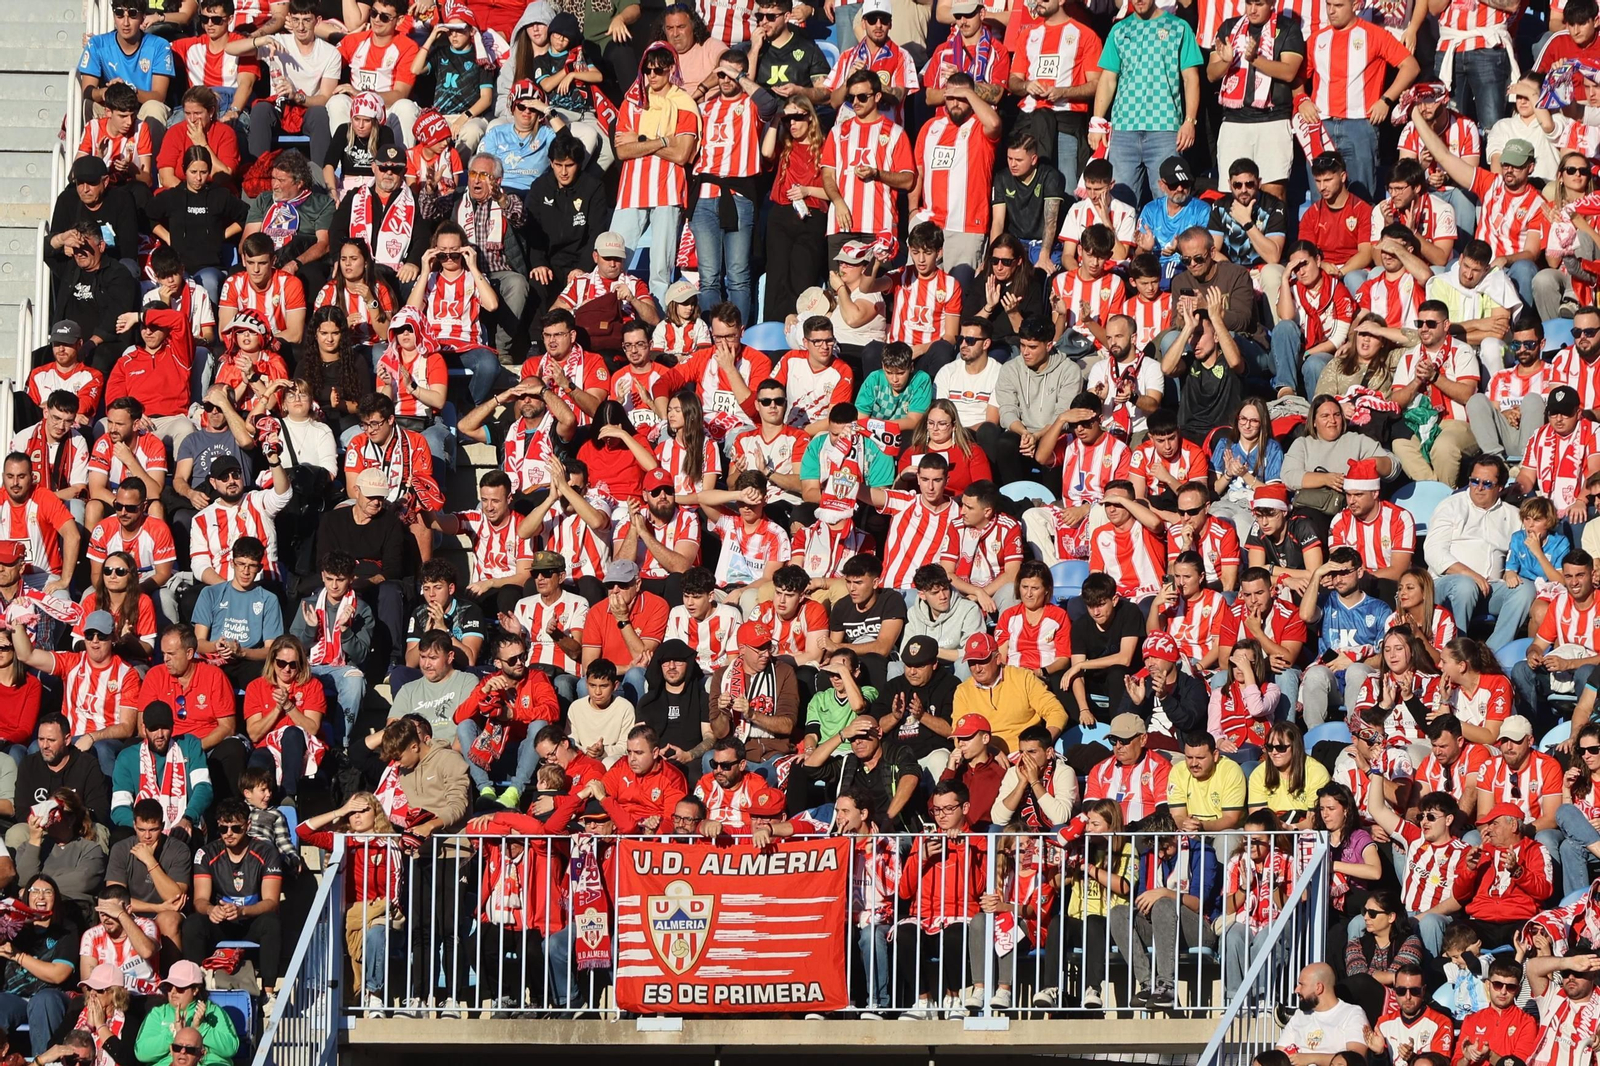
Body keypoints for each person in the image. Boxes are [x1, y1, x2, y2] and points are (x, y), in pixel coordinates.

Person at [1107, 809, 1223, 1012]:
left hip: (1198, 927)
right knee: (1118, 913)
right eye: (1156, 849)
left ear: (1175, 836)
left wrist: (1164, 892)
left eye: (1165, 847)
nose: (1160, 854)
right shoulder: (1150, 855)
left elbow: (1198, 904)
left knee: (1163, 903)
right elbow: (1143, 900)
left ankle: (1166, 985)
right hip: (1161, 924)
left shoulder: (1202, 853)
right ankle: (1147, 983)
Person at [610, 45, 701, 302]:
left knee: (661, 269)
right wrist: (661, 141)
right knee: (614, 257)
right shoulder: (632, 101)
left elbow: (683, 154)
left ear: (671, 69)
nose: (652, 76)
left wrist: (640, 141)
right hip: (632, 189)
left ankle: (657, 322)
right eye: (647, 70)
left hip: (668, 190)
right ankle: (612, 316)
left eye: (659, 70)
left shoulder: (684, 104)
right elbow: (622, 151)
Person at [1088, 0, 1202, 204]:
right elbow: (1108, 79)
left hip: (1165, 130)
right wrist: (1096, 122)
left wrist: (1190, 121)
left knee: (1170, 201)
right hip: (1124, 131)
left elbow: (1191, 78)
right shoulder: (1119, 29)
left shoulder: (1179, 27)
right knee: (1121, 203)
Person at [180, 800, 282, 988]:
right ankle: (194, 987)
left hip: (251, 921)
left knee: (271, 922)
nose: (229, 834)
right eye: (223, 828)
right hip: (222, 923)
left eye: (236, 828)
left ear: (248, 826)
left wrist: (242, 911)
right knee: (193, 923)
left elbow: (271, 902)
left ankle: (269, 992)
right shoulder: (206, 853)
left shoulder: (267, 852)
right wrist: (211, 910)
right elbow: (200, 900)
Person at [454, 632, 560, 810]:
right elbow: (458, 717)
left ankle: (515, 791)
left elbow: (552, 711)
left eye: (522, 656)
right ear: (498, 663)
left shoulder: (536, 677)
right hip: (494, 752)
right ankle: (485, 789)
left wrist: (513, 714)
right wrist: (483, 692)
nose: (519, 662)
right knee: (465, 726)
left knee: (539, 725)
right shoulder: (489, 681)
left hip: (528, 751)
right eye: (512, 660)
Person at [0, 874, 81, 1058]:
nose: (41, 896)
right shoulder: (12, 926)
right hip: (15, 998)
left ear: (56, 898)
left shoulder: (66, 930)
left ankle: (45, 1061)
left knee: (43, 1001)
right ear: (26, 897)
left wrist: (18, 956)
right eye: (34, 891)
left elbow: (58, 974)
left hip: (53, 997)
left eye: (47, 892)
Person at [130, 961, 240, 1066]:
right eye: (169, 987)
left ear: (195, 990)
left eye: (179, 988)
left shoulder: (212, 1011)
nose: (173, 992)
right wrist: (173, 1034)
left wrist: (202, 1028)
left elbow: (231, 1048)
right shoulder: (158, 1013)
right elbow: (141, 1053)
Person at [1274, 963, 1372, 1061]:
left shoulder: (1352, 1014)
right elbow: (1278, 1057)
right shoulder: (1299, 1015)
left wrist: (1309, 1059)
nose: (1296, 990)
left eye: (1301, 984)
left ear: (1319, 988)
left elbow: (1355, 1060)